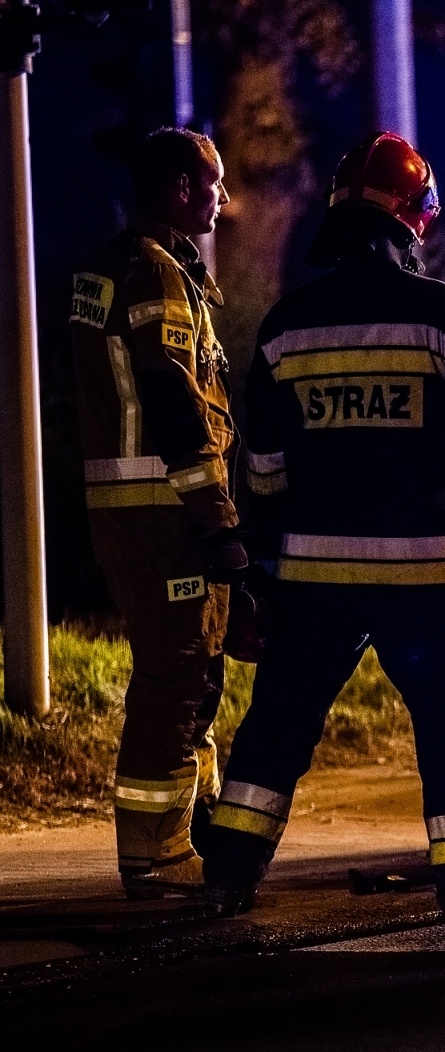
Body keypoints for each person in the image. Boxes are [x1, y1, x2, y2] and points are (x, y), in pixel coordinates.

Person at [201, 132, 445, 922]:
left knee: (277, 725)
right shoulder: (438, 312)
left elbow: (266, 466)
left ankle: (226, 877)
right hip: (425, 577)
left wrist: (274, 554)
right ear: (412, 221)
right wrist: (441, 454)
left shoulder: (288, 325)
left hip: (315, 579)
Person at [67, 128, 246, 899]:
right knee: (178, 676)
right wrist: (217, 514)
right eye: (213, 186)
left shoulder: (111, 269)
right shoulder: (156, 276)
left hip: (137, 514)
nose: (223, 202)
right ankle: (157, 852)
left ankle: (188, 826)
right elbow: (177, 401)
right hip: (168, 514)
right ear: (178, 188)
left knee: (193, 672)